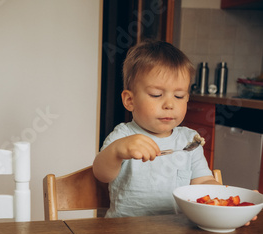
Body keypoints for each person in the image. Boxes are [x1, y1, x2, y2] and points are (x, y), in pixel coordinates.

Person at [93, 40, 219, 218]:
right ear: (130, 100)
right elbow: (101, 174)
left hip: (177, 233)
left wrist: (224, 200)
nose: (169, 104)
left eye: (179, 96)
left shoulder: (190, 140)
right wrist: (117, 151)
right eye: (156, 95)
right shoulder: (124, 135)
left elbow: (203, 181)